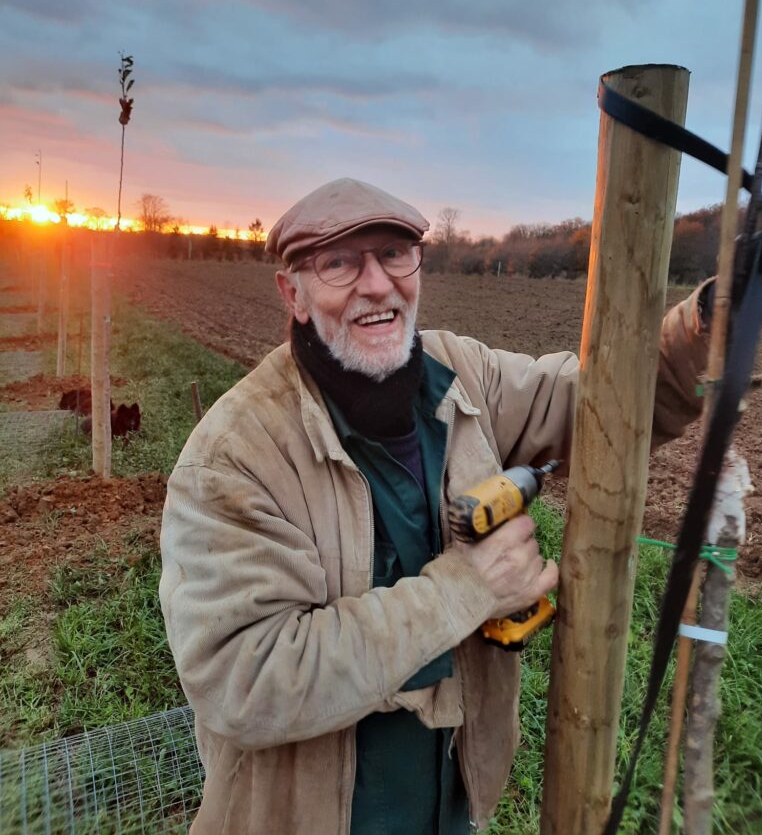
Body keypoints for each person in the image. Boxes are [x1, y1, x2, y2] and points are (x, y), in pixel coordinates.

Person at [159, 177, 711, 835]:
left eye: (395, 253)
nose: (377, 284)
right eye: (339, 262)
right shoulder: (233, 456)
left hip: (448, 808)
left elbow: (600, 404)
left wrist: (705, 325)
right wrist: (467, 587)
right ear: (293, 293)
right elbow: (242, 678)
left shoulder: (458, 373)